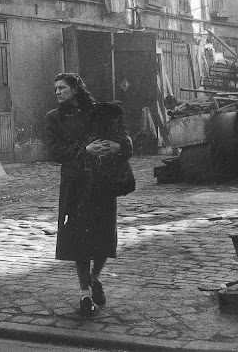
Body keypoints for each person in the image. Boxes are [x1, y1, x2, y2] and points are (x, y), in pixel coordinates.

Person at [43, 73, 133, 317]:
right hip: (76, 186)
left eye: (62, 88)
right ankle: (84, 294)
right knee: (79, 241)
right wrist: (84, 150)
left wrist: (119, 146)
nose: (57, 92)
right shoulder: (54, 118)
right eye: (55, 89)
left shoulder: (101, 112)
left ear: (75, 89)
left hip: (103, 183)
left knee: (104, 239)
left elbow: (124, 139)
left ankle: (95, 277)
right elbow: (54, 151)